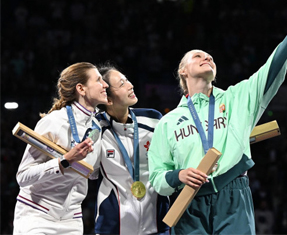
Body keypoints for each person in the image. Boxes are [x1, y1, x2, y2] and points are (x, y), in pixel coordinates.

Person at [148, 0, 287, 234]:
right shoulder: (168, 122)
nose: (207, 57)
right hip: (187, 204)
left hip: (233, 195)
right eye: (198, 56)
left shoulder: (237, 98)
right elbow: (157, 177)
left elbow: (272, 70)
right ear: (183, 71)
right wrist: (179, 175)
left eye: (209, 56)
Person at [13, 62, 109, 234]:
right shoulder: (54, 121)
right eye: (99, 80)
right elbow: (23, 177)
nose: (105, 85)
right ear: (81, 89)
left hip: (72, 220)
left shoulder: (97, 127)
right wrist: (65, 161)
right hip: (37, 214)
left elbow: (92, 174)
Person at [94, 64, 170, 235]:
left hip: (158, 224)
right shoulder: (96, 128)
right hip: (113, 227)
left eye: (127, 80)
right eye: (122, 84)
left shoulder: (153, 119)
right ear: (108, 99)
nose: (130, 85)